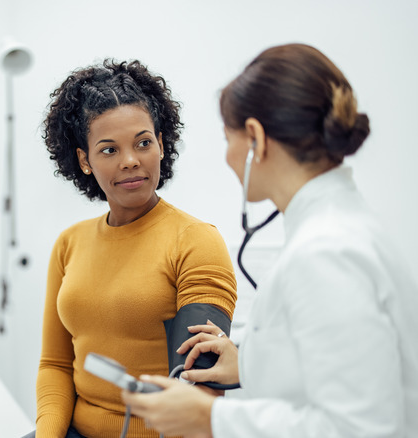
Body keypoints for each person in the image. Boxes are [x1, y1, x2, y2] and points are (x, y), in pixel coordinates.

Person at [121, 43, 418, 437]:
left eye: (229, 139)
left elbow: (360, 427)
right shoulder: (340, 230)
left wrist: (209, 419)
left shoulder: (326, 253)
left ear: (255, 139)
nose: (228, 157)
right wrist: (249, 363)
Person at [26, 59, 238, 438]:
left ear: (161, 143)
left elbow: (198, 384)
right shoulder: (68, 244)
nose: (130, 161)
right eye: (109, 150)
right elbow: (55, 365)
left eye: (143, 142)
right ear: (84, 160)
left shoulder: (195, 241)